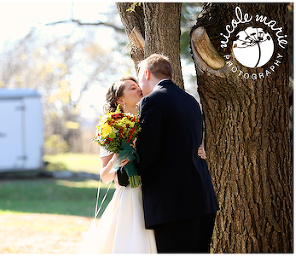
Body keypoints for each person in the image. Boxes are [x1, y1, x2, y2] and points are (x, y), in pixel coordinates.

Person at [78, 76, 210, 253]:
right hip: (131, 198)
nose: (139, 89)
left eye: (138, 86)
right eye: (132, 88)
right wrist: (116, 160)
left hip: (158, 195)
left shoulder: (149, 118)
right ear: (120, 99)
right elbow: (105, 176)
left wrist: (198, 149)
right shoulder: (112, 128)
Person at [120, 53, 219, 253]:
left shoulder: (153, 101)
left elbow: (149, 151)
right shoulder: (190, 100)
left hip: (175, 204)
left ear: (146, 73)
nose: (140, 85)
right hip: (203, 198)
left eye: (139, 78)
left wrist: (123, 175)